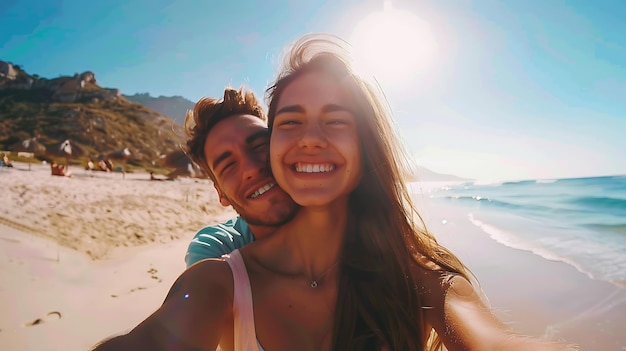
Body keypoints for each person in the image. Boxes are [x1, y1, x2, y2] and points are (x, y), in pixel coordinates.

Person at [93, 34, 578, 351]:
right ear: (219, 192)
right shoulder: (216, 274)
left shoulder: (421, 280)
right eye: (292, 122)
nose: (308, 139)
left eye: (260, 145)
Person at [184, 88, 299, 266]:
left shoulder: (348, 218)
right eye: (228, 165)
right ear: (221, 193)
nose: (251, 169)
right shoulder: (216, 248)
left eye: (261, 146)